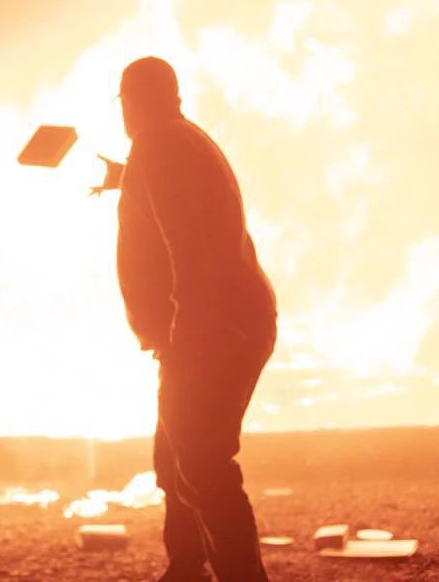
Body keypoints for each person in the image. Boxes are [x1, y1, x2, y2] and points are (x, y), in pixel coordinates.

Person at [115, 57, 277, 582]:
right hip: (215, 325)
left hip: (210, 330)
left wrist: (189, 336)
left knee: (204, 465)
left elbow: (189, 247)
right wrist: (127, 182)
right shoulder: (178, 141)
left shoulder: (158, 146)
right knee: (176, 456)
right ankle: (186, 568)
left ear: (132, 101)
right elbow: (187, 207)